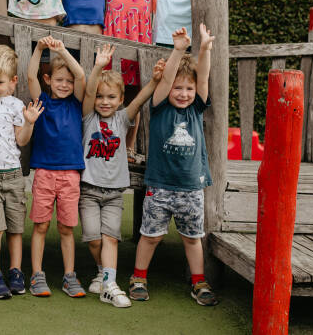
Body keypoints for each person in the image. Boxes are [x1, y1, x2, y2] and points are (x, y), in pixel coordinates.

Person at [129, 25, 219, 307]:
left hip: (191, 187)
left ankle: (198, 281)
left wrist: (204, 49)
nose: (183, 94)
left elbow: (203, 78)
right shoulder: (160, 106)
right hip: (160, 186)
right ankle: (138, 277)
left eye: (188, 88)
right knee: (150, 236)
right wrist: (178, 50)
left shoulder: (196, 108)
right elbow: (166, 79)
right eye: (178, 88)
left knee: (192, 238)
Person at [81, 44, 164, 308]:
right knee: (93, 238)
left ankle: (109, 284)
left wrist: (154, 81)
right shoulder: (88, 118)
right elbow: (89, 91)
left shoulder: (121, 119)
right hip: (89, 190)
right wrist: (98, 66)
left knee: (110, 237)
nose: (104, 101)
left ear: (119, 100)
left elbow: (139, 101)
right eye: (100, 97)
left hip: (114, 193)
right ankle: (101, 271)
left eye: (111, 97)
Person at [0, 46, 42, 299]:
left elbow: (21, 140)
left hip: (13, 175)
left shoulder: (16, 106)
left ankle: (16, 272)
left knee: (15, 228)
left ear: (13, 82)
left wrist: (29, 123)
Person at [25, 36, 87, 298]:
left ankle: (69, 276)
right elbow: (30, 76)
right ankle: (37, 274)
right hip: (44, 173)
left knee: (66, 228)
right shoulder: (43, 102)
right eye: (59, 80)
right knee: (40, 225)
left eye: (68, 82)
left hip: (70, 175)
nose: (65, 85)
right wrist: (39, 49)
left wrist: (62, 50)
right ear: (48, 80)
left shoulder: (76, 104)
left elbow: (81, 75)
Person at [103, 0, 152, 156]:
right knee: (110, 97)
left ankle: (129, 146)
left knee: (134, 100)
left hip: (137, 49)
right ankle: (108, 142)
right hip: (113, 48)